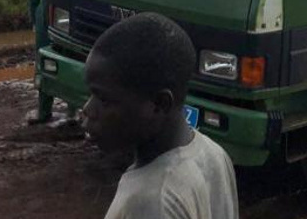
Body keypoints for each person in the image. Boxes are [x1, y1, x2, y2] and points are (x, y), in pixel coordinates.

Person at [82, 12, 239, 219]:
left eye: (104, 100)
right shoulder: (213, 154)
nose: (87, 109)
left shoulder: (150, 201)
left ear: (159, 104)